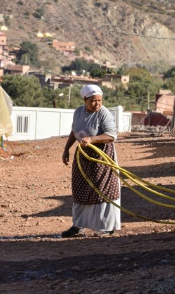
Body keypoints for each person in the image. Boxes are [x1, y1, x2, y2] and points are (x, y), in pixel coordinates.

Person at [61, 84, 121, 238]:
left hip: (102, 157)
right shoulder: (79, 112)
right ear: (85, 100)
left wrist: (92, 139)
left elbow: (111, 136)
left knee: (103, 189)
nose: (97, 104)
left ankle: (106, 227)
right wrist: (67, 148)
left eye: (99, 101)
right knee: (80, 189)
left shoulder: (104, 114)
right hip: (83, 156)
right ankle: (78, 226)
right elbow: (74, 131)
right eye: (94, 101)